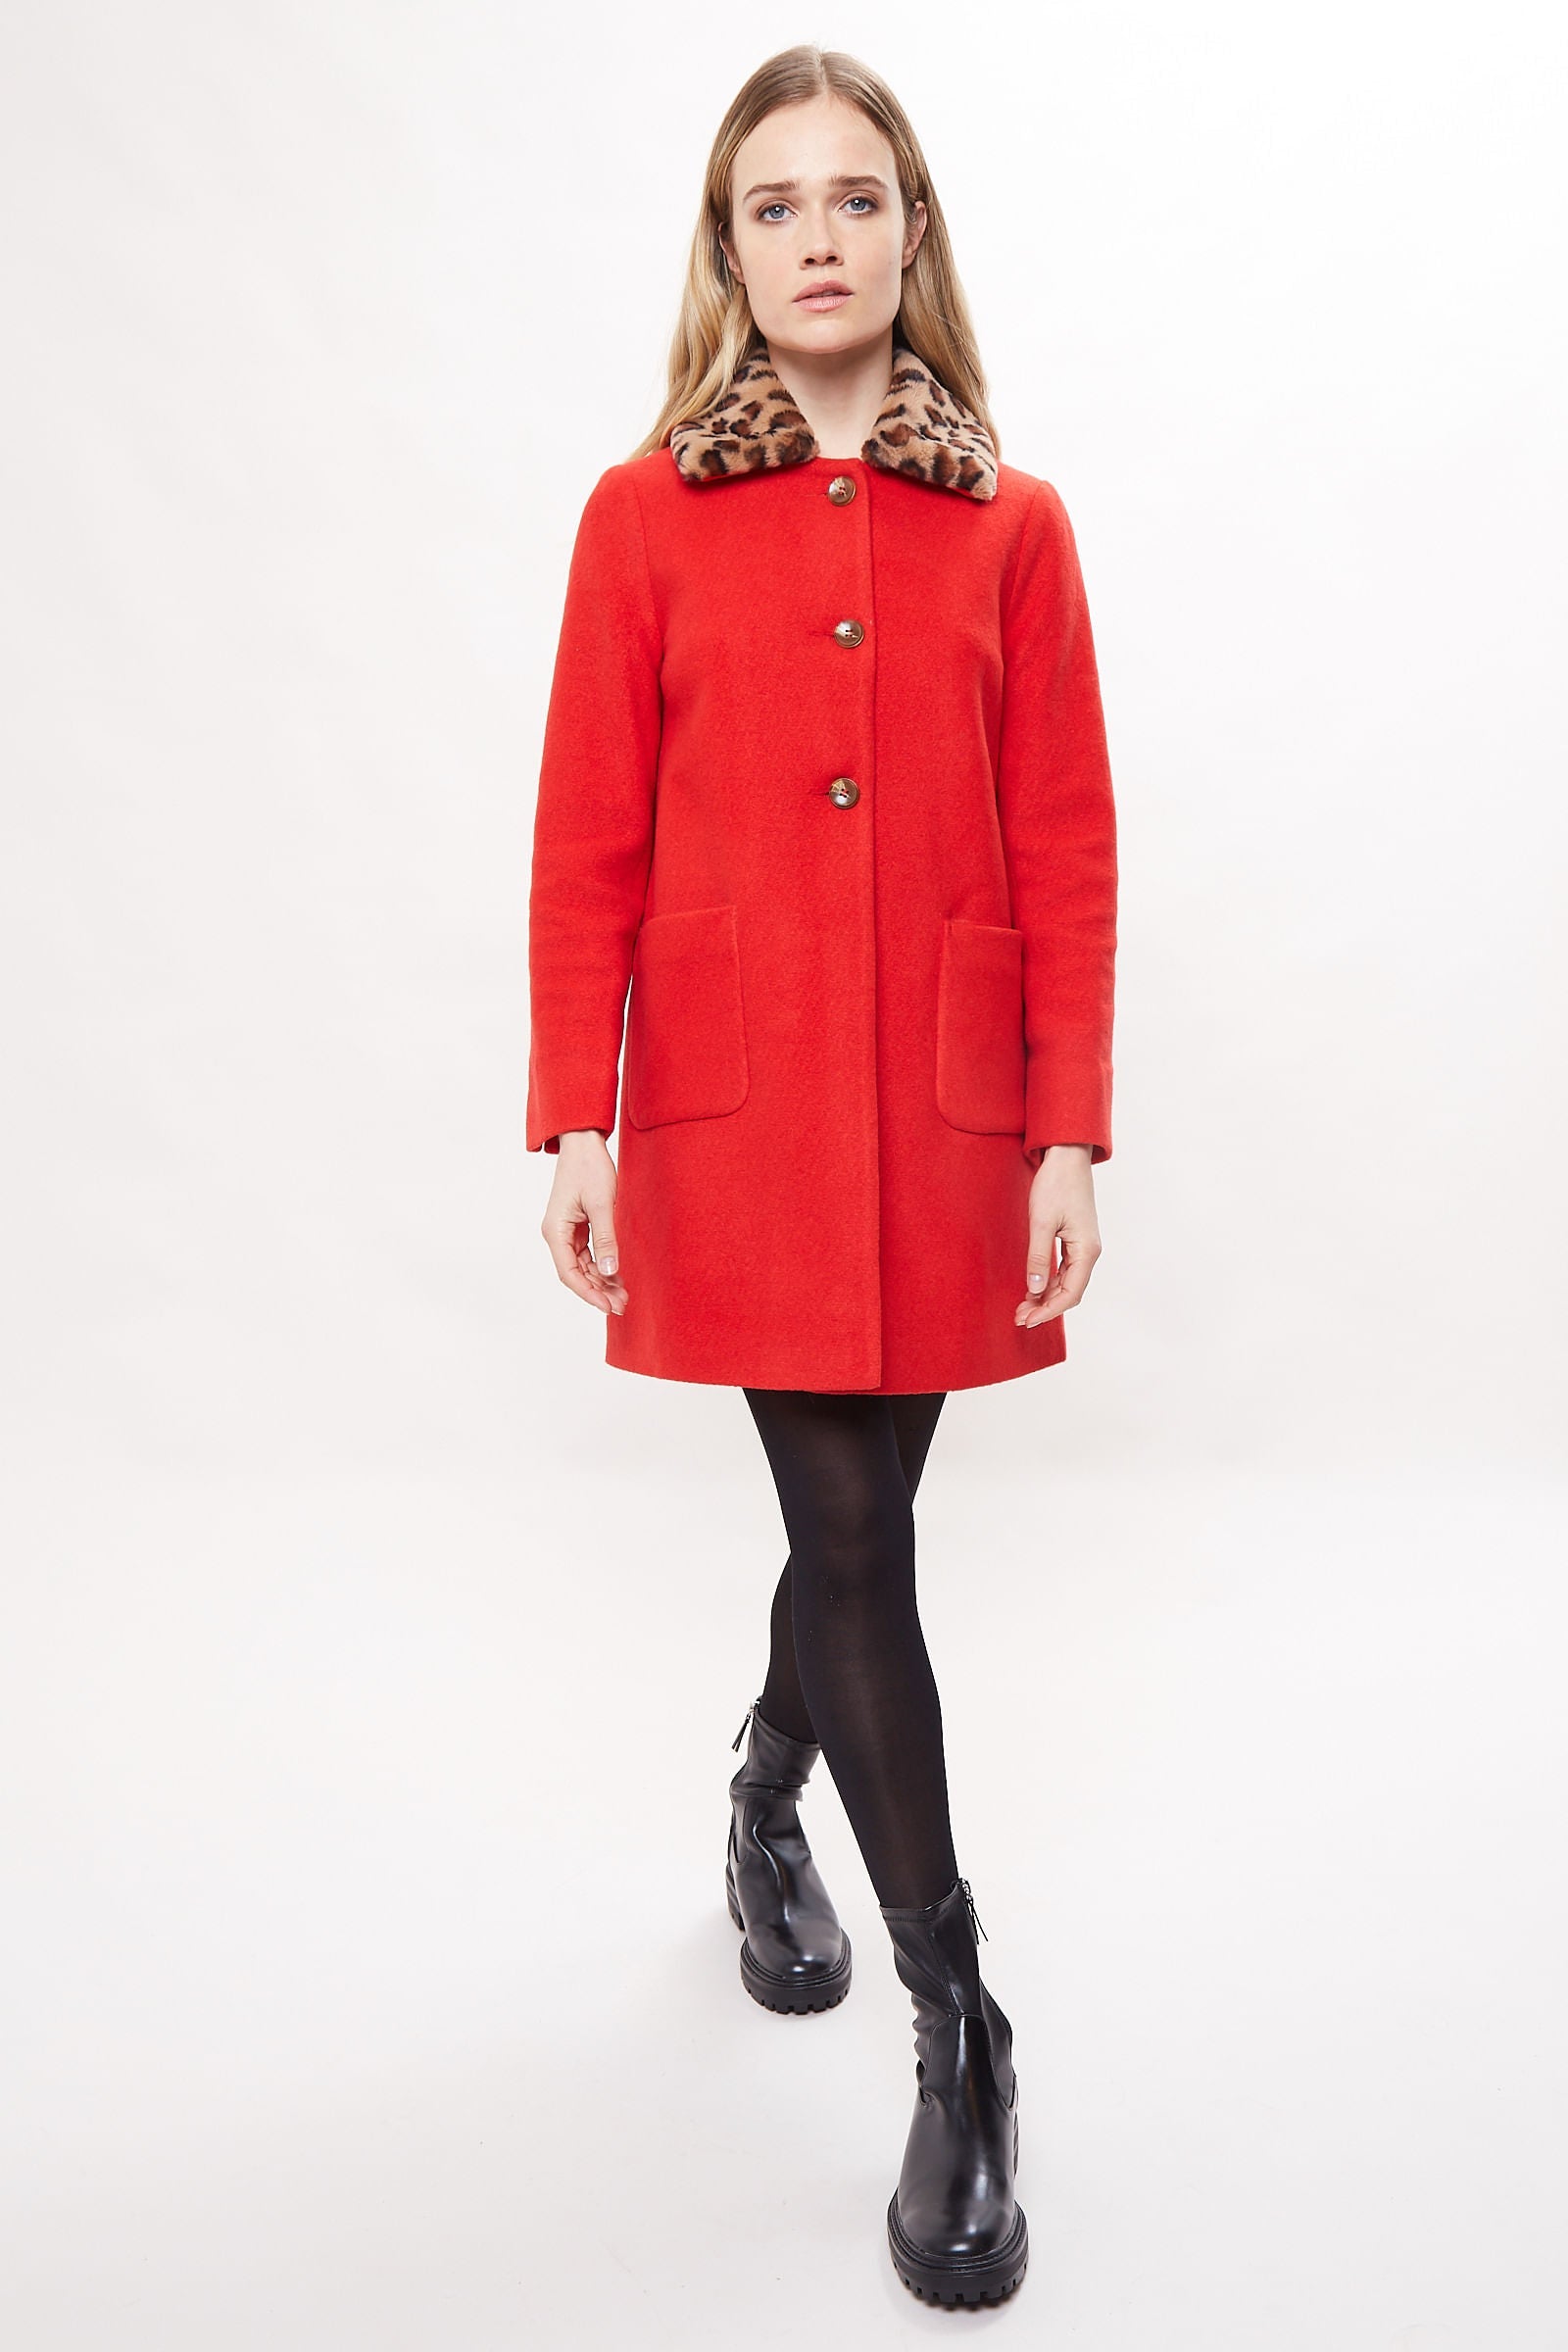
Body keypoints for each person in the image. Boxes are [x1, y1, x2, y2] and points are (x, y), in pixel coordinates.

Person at [525, 44, 1118, 2310]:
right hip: (740, 1112)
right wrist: (574, 1110)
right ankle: (958, 2023)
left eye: (852, 197)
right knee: (855, 1532)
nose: (815, 238)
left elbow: (1064, 844)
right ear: (726, 249)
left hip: (947, 1117)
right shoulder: (641, 516)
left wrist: (1063, 1124)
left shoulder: (1014, 528)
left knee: (848, 1531)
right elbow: (584, 833)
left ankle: (772, 1779)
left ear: (909, 231)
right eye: (769, 205)